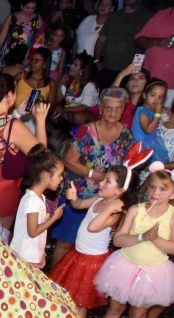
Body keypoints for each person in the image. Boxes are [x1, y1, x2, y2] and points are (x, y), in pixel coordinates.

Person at [85, 167, 174, 318]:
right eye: (152, 187)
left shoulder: (172, 215)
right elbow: (118, 240)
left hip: (152, 273)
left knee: (138, 315)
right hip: (125, 266)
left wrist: (155, 239)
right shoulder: (136, 209)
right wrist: (142, 236)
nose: (156, 192)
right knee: (114, 309)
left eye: (163, 189)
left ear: (172, 193)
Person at [55, 87, 134, 267]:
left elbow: (127, 166)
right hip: (79, 194)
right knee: (66, 242)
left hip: (105, 201)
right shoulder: (87, 131)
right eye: (108, 108)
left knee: (90, 248)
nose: (113, 112)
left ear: (123, 109)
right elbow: (69, 160)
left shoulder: (126, 135)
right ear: (100, 107)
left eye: (118, 108)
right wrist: (95, 175)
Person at [50, 163, 134, 318]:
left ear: (120, 191)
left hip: (91, 262)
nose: (101, 183)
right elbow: (79, 205)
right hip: (78, 255)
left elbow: (93, 227)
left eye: (107, 181)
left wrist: (109, 208)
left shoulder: (116, 213)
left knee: (79, 305)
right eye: (103, 179)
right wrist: (74, 197)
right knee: (68, 299)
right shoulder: (101, 198)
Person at [0, 74, 49, 230]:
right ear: (9, 95)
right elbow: (41, 153)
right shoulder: (11, 125)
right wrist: (40, 120)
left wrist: (17, 114)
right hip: (2, 193)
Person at [11, 145, 64, 268]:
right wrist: (54, 218)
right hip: (24, 258)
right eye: (59, 175)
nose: (61, 179)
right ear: (47, 177)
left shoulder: (40, 198)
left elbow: (39, 233)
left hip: (32, 256)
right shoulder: (32, 201)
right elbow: (33, 231)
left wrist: (42, 253)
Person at [95, 0, 148, 88]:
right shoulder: (114, 16)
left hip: (130, 73)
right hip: (107, 69)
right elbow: (101, 40)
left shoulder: (147, 16)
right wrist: (97, 61)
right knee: (104, 99)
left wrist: (139, 69)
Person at [135, 5, 174, 103]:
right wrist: (157, 41)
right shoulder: (162, 15)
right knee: (147, 116)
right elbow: (138, 41)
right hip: (152, 84)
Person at [0, 0, 43, 69]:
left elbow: (41, 41)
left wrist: (30, 57)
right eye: (28, 8)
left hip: (27, 56)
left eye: (33, 8)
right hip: (10, 54)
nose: (30, 10)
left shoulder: (38, 19)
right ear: (21, 6)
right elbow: (1, 38)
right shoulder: (11, 18)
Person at [133, 80, 170, 166]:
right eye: (153, 95)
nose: (156, 100)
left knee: (159, 165)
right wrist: (157, 114)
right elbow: (148, 130)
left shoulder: (153, 110)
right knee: (151, 165)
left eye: (160, 97)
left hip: (153, 142)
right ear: (144, 95)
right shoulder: (142, 112)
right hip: (143, 144)